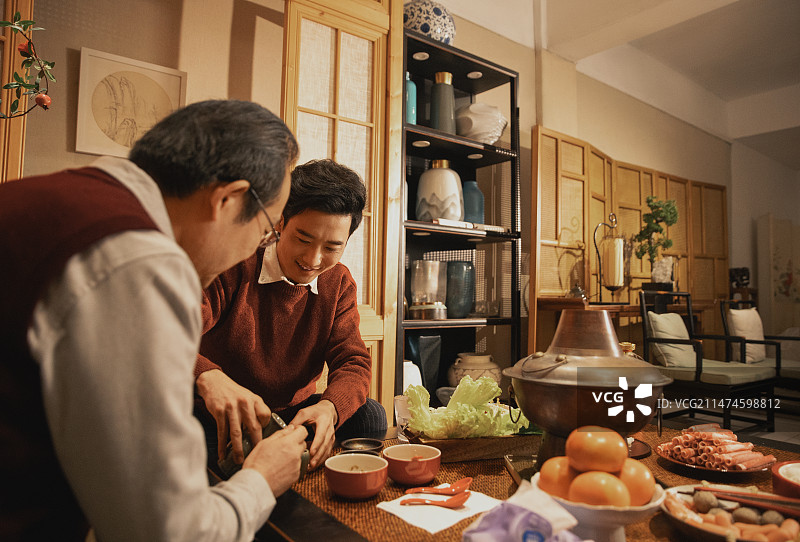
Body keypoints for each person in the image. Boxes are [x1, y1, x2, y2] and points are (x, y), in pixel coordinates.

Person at [0, 99, 307, 541]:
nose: (258, 247)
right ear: (227, 199)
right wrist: (261, 479)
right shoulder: (141, 263)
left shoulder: (59, 196)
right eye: (266, 231)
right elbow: (167, 532)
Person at [195, 159, 387, 473]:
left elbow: (353, 361)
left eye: (332, 247)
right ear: (281, 222)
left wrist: (330, 408)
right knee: (189, 440)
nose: (313, 259)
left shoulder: (337, 282)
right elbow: (169, 334)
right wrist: (208, 376)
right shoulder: (234, 264)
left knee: (371, 416)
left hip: (291, 416)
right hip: (221, 413)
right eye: (303, 239)